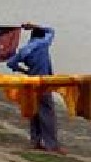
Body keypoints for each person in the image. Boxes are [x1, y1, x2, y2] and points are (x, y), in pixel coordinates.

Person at [6, 22, 61, 152]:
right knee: (47, 113)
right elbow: (51, 30)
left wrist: (25, 71)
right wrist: (34, 26)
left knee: (34, 113)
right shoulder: (43, 43)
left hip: (30, 83)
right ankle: (51, 145)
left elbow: (11, 63)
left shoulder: (25, 49)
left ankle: (35, 141)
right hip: (43, 83)